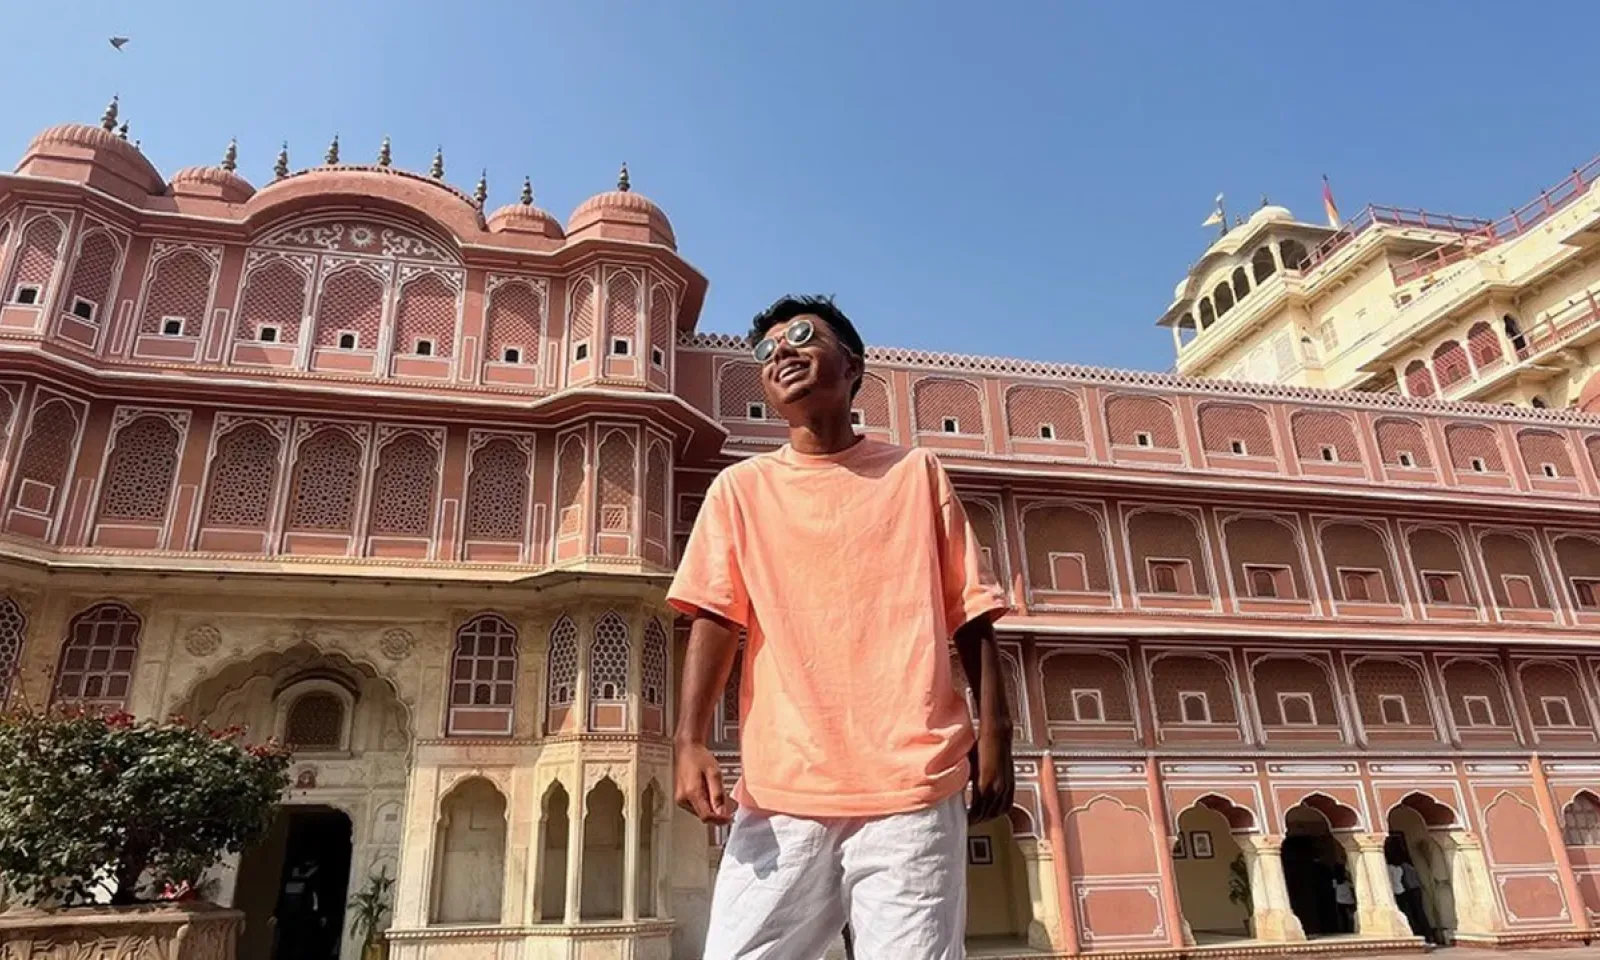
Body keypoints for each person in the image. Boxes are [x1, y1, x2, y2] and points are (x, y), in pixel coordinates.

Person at [671, 295, 1015, 960]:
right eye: (766, 350)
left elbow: (970, 611)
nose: (782, 352)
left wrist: (996, 729)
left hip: (912, 779)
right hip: (784, 785)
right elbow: (715, 614)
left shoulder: (915, 474)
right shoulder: (741, 490)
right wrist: (688, 740)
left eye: (803, 335)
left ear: (853, 365)